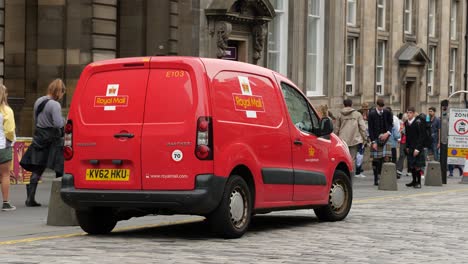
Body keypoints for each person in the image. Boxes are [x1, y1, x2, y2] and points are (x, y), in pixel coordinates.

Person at [20, 79, 66, 207]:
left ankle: (30, 198)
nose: (62, 96)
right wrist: (64, 120)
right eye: (62, 93)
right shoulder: (55, 105)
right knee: (60, 167)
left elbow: (36, 119)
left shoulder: (39, 101)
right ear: (59, 91)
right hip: (53, 139)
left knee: (38, 167)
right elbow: (58, 123)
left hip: (40, 137)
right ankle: (61, 200)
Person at [334, 99, 367, 178]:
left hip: (342, 139)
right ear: (351, 104)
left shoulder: (340, 114)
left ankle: (344, 173)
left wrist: (335, 139)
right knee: (352, 158)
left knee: (343, 157)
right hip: (354, 139)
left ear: (344, 104)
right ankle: (350, 173)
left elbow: (336, 128)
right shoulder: (357, 114)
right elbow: (363, 128)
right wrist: (365, 138)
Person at [367, 98, 393, 186]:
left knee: (386, 159)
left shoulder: (387, 112)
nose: (381, 109)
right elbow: (370, 128)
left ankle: (383, 177)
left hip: (386, 138)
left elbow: (391, 124)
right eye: (380, 108)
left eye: (382, 107)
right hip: (376, 138)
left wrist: (387, 133)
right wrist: (373, 141)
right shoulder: (371, 114)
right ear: (377, 106)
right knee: (376, 160)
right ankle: (376, 178)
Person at [0, 85, 16, 211]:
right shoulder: (7, 111)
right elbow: (10, 131)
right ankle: (5, 202)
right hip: (3, 146)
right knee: (5, 174)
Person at [404, 107, 425, 188]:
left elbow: (421, 136)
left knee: (417, 166)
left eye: (410, 113)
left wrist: (418, 149)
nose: (408, 114)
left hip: (417, 147)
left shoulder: (418, 122)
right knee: (411, 165)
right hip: (410, 146)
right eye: (407, 113)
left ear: (413, 113)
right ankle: (414, 181)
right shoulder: (406, 123)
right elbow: (407, 136)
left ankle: (418, 182)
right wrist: (407, 146)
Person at [396, 113, 408, 177]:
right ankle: (398, 170)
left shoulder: (409, 124)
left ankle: (410, 170)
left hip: (409, 142)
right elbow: (400, 132)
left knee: (406, 156)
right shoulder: (402, 124)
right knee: (402, 155)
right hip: (403, 142)